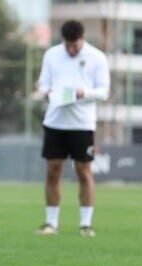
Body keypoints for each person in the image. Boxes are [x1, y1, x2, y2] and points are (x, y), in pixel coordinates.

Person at [34, 20, 109, 237]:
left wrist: (83, 93)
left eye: (75, 46)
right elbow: (43, 84)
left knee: (83, 171)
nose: (71, 50)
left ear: (82, 39)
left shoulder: (97, 57)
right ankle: (51, 223)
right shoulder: (51, 55)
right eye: (68, 45)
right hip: (55, 122)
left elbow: (103, 92)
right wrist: (48, 93)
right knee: (52, 170)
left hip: (82, 124)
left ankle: (85, 224)